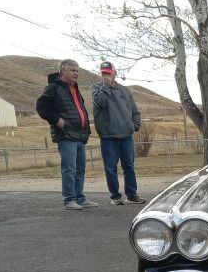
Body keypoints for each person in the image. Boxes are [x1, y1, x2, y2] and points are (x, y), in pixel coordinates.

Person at [36, 59, 97, 210]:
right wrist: (58, 121)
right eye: (73, 70)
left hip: (79, 135)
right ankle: (69, 200)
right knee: (69, 168)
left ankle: (79, 197)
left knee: (80, 168)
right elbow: (41, 107)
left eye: (77, 70)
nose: (76, 73)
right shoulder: (54, 88)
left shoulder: (75, 89)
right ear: (63, 71)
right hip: (66, 134)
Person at [91, 61, 145, 205]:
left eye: (109, 72)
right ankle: (115, 196)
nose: (106, 75)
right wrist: (106, 85)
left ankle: (132, 195)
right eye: (103, 73)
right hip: (108, 136)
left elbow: (135, 111)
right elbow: (100, 102)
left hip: (126, 135)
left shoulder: (125, 91)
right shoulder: (96, 88)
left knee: (129, 166)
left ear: (115, 72)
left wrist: (134, 125)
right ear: (100, 74)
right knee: (110, 168)